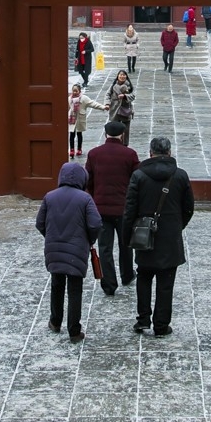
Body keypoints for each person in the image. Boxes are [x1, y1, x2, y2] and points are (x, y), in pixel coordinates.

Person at [123, 136, 195, 336]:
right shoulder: (180, 176)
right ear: (170, 152)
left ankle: (143, 319)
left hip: (144, 235)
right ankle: (162, 325)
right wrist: (177, 226)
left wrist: (127, 235)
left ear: (150, 153)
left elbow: (129, 210)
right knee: (166, 283)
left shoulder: (138, 176)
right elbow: (189, 207)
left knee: (143, 278)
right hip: (170, 237)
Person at [36, 162, 101, 341]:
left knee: (57, 284)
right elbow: (95, 224)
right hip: (77, 250)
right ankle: (74, 330)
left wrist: (50, 237)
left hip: (54, 249)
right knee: (75, 289)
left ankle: (55, 322)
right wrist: (88, 239)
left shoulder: (49, 197)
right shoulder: (85, 199)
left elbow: (39, 223)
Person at [84, 121, 140, 295]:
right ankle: (127, 274)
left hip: (100, 209)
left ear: (105, 134)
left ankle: (109, 284)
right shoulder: (130, 154)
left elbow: (88, 182)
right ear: (122, 135)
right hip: (123, 209)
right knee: (126, 245)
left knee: (105, 247)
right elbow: (136, 181)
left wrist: (91, 202)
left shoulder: (94, 154)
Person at [66, 83, 103, 158]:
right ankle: (72, 149)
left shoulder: (84, 98)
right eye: (73, 91)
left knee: (79, 134)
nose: (74, 92)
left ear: (79, 91)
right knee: (71, 134)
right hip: (72, 118)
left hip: (80, 118)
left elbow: (93, 103)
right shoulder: (70, 98)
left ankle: (79, 149)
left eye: (76, 91)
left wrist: (102, 107)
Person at [105, 70, 135, 136]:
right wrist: (107, 103)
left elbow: (133, 96)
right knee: (115, 127)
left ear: (126, 76)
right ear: (118, 76)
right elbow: (108, 94)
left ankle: (125, 143)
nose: (122, 76)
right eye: (120, 75)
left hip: (125, 108)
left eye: (124, 75)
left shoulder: (129, 86)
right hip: (115, 108)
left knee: (125, 128)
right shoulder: (113, 85)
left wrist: (125, 96)